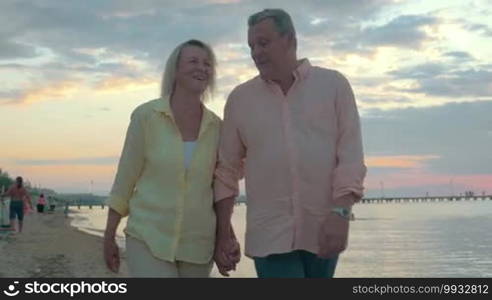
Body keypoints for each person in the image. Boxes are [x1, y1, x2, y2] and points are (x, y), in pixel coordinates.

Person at [213, 9, 367, 278]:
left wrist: (341, 213)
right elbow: (226, 170)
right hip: (269, 234)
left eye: (263, 43)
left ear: (290, 40)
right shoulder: (240, 100)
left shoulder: (333, 86)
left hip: (323, 229)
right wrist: (223, 233)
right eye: (251, 46)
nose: (256, 53)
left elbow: (350, 157)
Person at [103, 39, 239, 278]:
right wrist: (108, 236)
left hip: (198, 245)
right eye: (193, 61)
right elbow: (125, 179)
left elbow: (221, 188)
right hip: (148, 236)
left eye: (208, 64)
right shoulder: (146, 117)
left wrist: (226, 237)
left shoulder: (218, 127)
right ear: (175, 70)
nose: (202, 67)